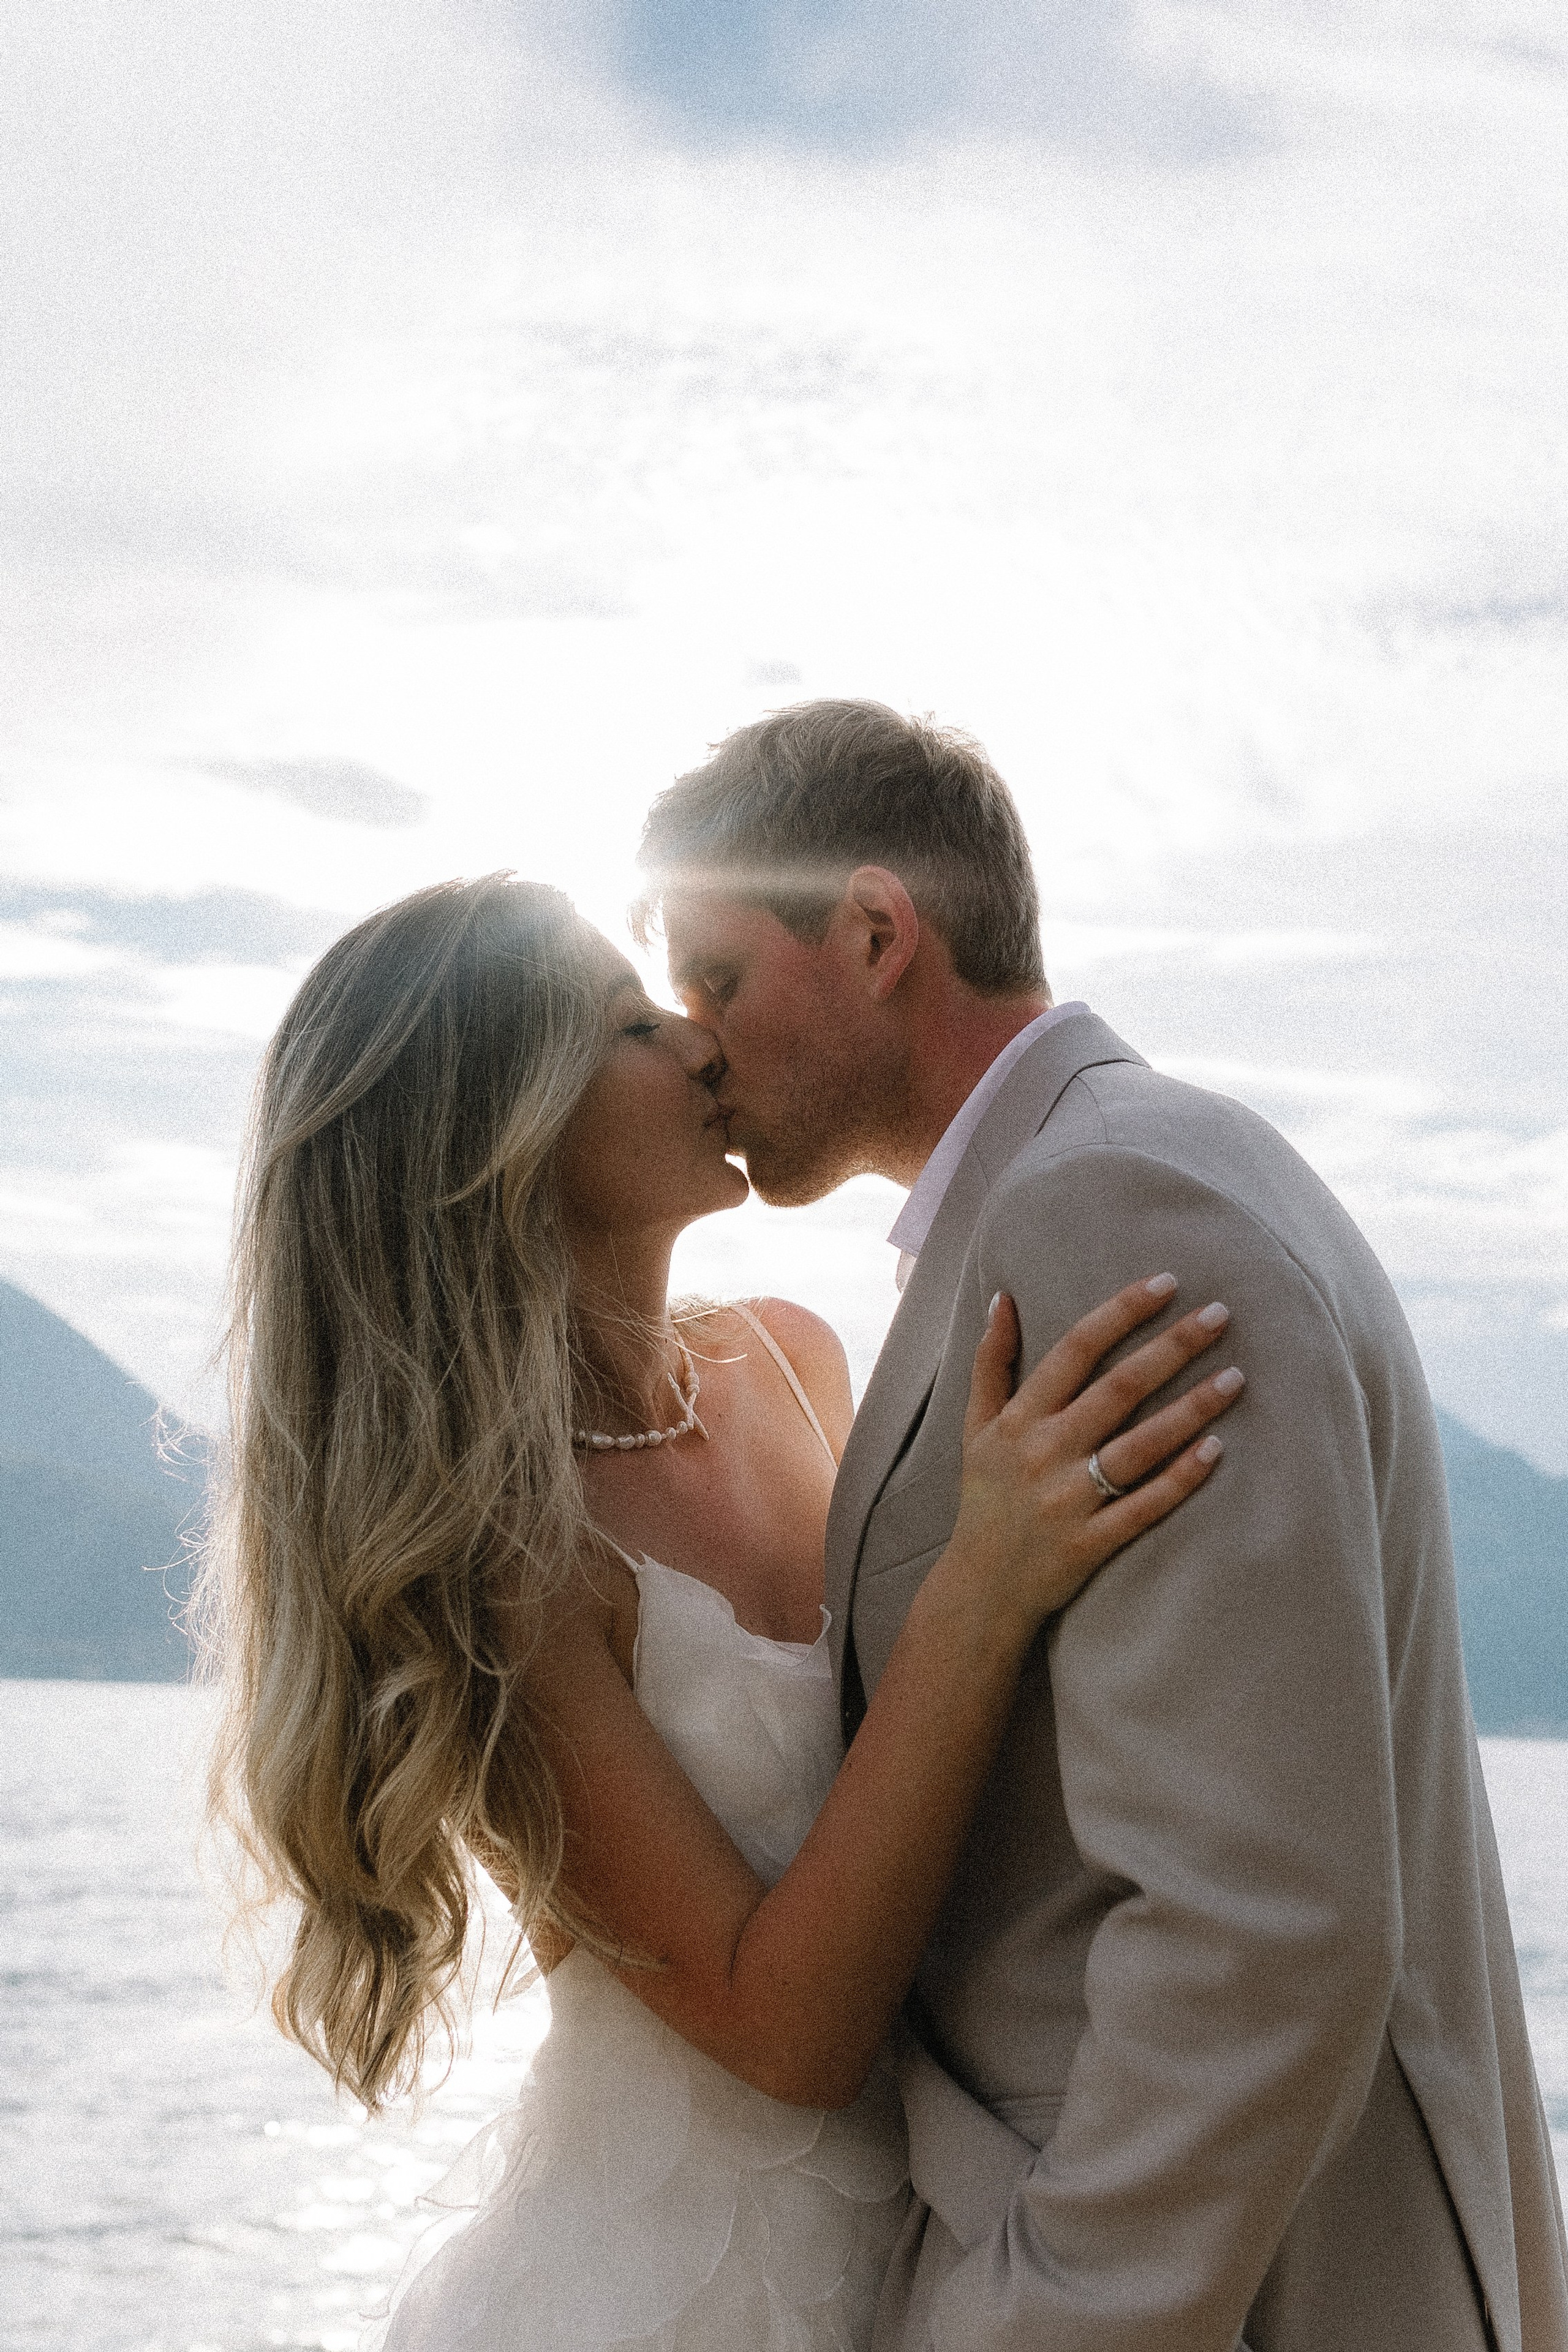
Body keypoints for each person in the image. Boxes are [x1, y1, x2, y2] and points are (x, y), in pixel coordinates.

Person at [635, 698, 1568, 2352]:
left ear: (873, 933)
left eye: (718, 975)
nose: (694, 1037)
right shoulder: (1096, 1185)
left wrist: (1039, 2321)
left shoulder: (1114, 1206)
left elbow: (1263, 1930)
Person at [197, 873, 1240, 2352]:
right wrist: (982, 1587)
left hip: (958, 2259)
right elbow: (783, 2032)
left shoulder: (797, 1363)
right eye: (628, 1024)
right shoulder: (495, 1561)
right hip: (657, 2299)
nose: (697, 1044)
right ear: (500, 1131)